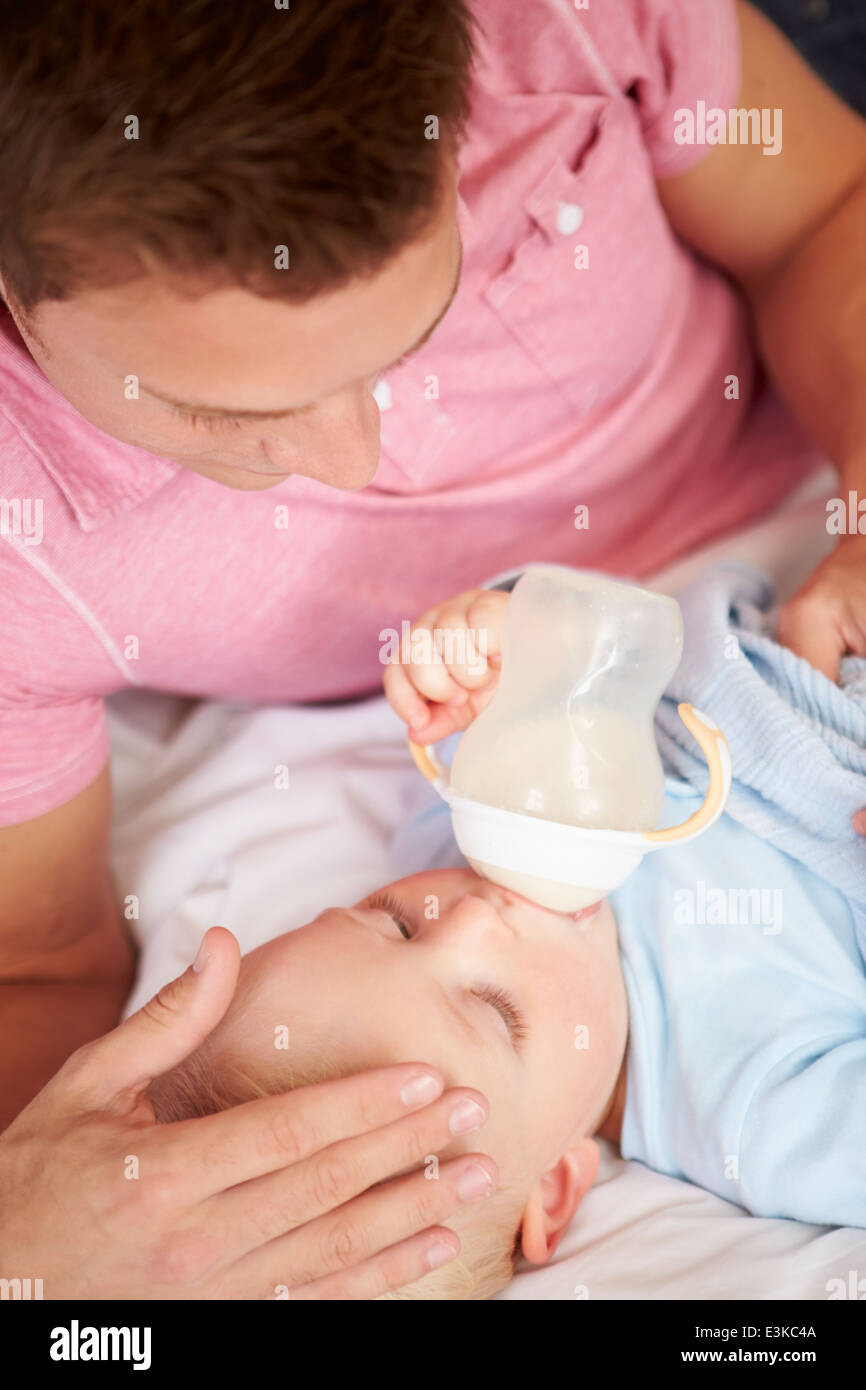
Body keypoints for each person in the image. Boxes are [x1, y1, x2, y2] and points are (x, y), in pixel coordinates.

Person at [2, 0, 865, 1297]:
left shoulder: (562, 24)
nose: (357, 462)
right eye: (218, 411)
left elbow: (823, 208)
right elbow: (39, 969)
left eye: (420, 318)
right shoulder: (751, 1093)